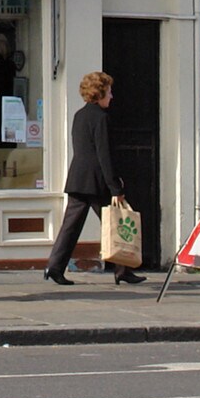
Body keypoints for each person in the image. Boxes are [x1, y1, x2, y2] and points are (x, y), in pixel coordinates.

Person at [45, 70, 144, 285]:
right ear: (98, 94)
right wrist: (115, 186)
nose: (112, 96)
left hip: (78, 178)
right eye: (108, 92)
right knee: (118, 224)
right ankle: (123, 269)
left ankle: (54, 267)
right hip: (96, 182)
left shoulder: (79, 115)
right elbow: (104, 154)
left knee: (70, 227)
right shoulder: (101, 118)